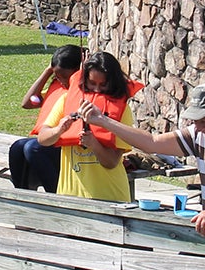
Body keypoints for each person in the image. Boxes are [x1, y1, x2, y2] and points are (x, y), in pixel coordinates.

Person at [78, 80, 205, 236]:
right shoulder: (199, 133)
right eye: (195, 121)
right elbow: (152, 143)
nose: (199, 127)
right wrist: (103, 120)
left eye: (204, 121)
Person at [40, 50, 136, 202]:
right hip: (69, 197)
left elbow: (111, 162)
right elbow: (42, 139)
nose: (97, 89)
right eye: (92, 83)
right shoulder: (66, 100)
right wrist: (59, 130)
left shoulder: (122, 110)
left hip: (110, 197)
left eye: (103, 84)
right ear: (84, 80)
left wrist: (94, 144)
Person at [11, 46, 81, 192]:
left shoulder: (81, 90)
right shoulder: (57, 87)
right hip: (50, 140)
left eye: (65, 76)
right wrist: (48, 71)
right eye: (57, 76)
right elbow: (27, 103)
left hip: (69, 146)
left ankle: (56, 193)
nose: (62, 81)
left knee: (33, 148)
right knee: (18, 147)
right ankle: (23, 194)